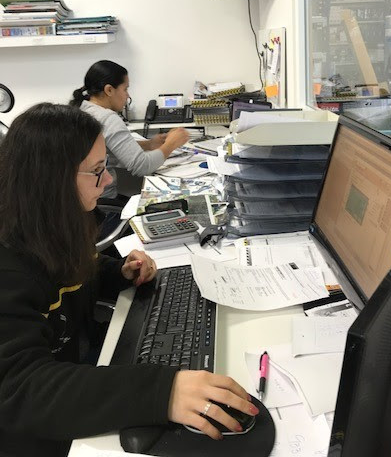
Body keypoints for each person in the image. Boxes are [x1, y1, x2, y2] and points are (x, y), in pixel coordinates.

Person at [0, 103, 258, 457]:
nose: (108, 181)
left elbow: (73, 274)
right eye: (97, 171)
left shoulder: (54, 218)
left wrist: (116, 272)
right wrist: (162, 392)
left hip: (74, 369)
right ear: (51, 180)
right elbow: (19, 390)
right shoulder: (8, 265)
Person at [70, 60, 189, 199]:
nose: (128, 96)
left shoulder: (83, 109)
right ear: (109, 90)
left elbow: (109, 148)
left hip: (83, 198)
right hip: (103, 201)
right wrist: (171, 144)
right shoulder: (107, 118)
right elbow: (142, 166)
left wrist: (149, 144)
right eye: (125, 89)